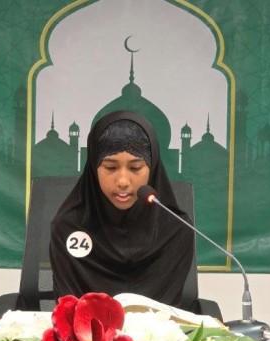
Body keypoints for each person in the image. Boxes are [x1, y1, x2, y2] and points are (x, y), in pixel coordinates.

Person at [49, 110, 198, 311]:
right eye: (110, 168)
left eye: (135, 168)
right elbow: (70, 313)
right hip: (88, 331)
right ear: (93, 167)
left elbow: (168, 315)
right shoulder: (67, 228)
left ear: (152, 167)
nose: (122, 181)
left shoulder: (176, 230)